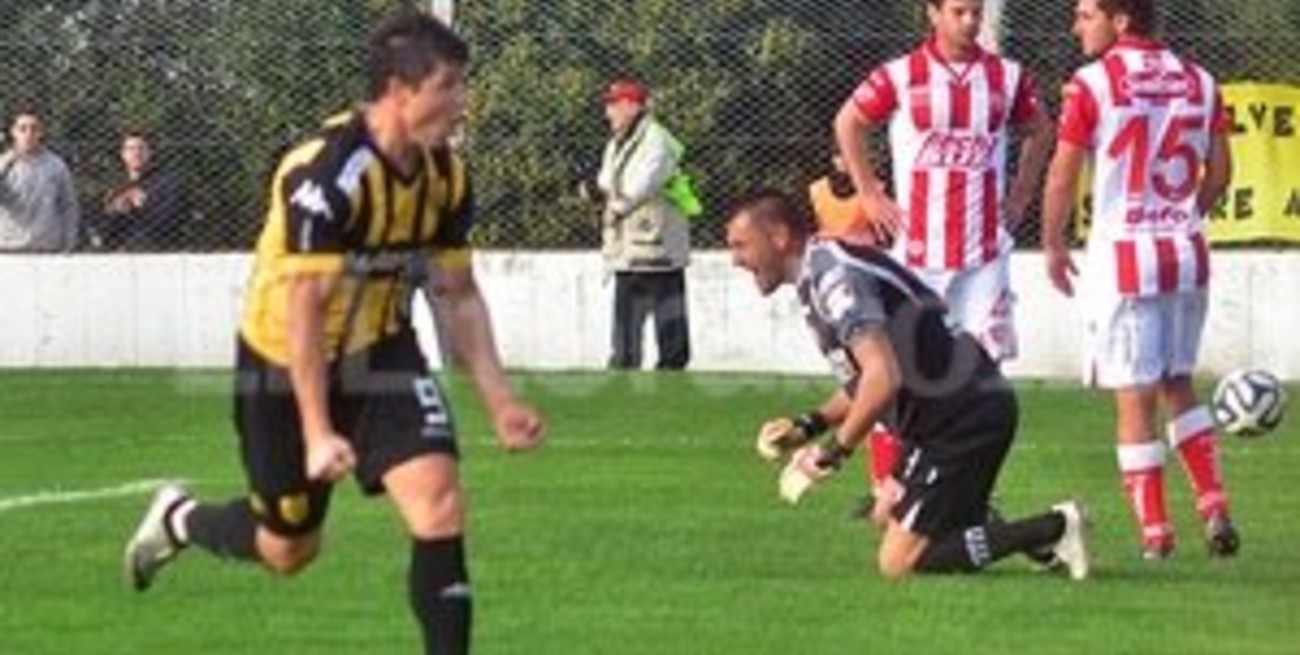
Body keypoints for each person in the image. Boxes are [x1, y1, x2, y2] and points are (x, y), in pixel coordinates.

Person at [122, 12, 545, 655]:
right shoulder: (326, 174)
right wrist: (319, 431)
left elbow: (458, 293)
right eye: (450, 86)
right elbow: (305, 312)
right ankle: (180, 520)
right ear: (400, 90)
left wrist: (501, 401)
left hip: (382, 350)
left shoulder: (446, 176)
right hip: (281, 360)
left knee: (438, 502)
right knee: (288, 547)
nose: (463, 102)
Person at [727, 189, 1090, 581]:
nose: (735, 259)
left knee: (898, 562)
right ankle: (1005, 531)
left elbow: (882, 377)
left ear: (780, 237)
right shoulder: (819, 271)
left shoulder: (835, 278)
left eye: (741, 245)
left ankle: (1056, 527)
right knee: (885, 512)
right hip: (948, 415)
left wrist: (831, 453)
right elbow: (864, 380)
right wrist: (808, 425)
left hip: (961, 418)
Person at [832, 0, 1055, 510]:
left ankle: (972, 489)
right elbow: (849, 122)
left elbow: (1042, 130)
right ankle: (886, 487)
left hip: (983, 257)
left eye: (976, 12)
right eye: (958, 12)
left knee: (982, 376)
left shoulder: (1007, 77)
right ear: (933, 14)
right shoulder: (901, 74)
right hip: (917, 256)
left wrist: (1021, 195)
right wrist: (869, 192)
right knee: (900, 367)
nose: (970, 22)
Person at [1040, 0, 1237, 560]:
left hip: (1126, 259)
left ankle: (1157, 535)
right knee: (1178, 382)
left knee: (1133, 397)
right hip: (1186, 252)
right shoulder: (1200, 80)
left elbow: (1063, 173)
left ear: (1121, 20)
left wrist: (1052, 242)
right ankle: (1214, 505)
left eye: (1087, 15)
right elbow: (1221, 173)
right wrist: (1183, 217)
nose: (1077, 26)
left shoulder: (1093, 82)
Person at [587, 77, 692, 370]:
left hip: (659, 247)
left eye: (614, 104)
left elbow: (640, 188)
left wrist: (610, 202)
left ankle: (671, 378)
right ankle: (622, 369)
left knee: (671, 335)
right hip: (627, 248)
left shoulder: (658, 141)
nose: (608, 112)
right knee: (625, 334)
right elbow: (606, 180)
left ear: (633, 106)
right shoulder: (617, 143)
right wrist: (596, 190)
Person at [0, 110, 80, 252]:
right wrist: (5, 166)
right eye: (22, 129)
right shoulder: (3, 163)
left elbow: (68, 205)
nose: (28, 134)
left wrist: (69, 241)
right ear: (13, 132)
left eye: (34, 129)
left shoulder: (56, 165)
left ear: (41, 133)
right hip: (8, 247)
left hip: (47, 247)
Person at [96, 129, 183, 251]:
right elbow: (102, 231)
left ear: (150, 153)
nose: (136, 153)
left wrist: (146, 205)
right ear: (122, 154)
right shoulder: (114, 186)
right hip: (120, 252)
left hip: (157, 251)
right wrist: (116, 210)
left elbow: (172, 222)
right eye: (130, 149)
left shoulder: (165, 184)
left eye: (141, 148)